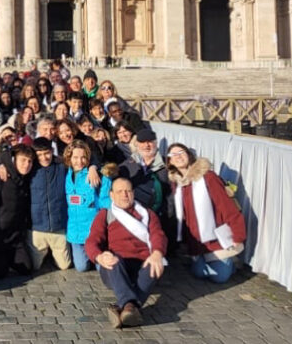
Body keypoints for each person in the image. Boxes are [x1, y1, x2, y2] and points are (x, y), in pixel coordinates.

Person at [85, 178, 167, 329]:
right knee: (113, 260)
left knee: (155, 263)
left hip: (142, 266)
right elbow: (91, 241)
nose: (124, 195)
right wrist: (99, 256)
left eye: (128, 191)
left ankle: (124, 306)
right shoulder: (105, 215)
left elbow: (158, 235)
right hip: (116, 268)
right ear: (112, 195)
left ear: (133, 193)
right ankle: (130, 306)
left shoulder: (147, 215)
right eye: (120, 191)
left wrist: (157, 253)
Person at [167, 143, 246, 283]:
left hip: (215, 238)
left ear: (189, 155)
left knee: (219, 278)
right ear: (170, 162)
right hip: (196, 243)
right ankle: (208, 261)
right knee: (198, 273)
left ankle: (232, 262)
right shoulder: (177, 185)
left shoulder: (208, 177)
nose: (178, 156)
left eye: (181, 152)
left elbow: (227, 206)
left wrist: (238, 235)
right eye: (173, 154)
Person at [0, 145, 35, 278]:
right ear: (14, 160)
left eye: (30, 161)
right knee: (0, 273)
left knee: (26, 268)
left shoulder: (26, 178)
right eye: (23, 160)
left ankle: (6, 258)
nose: (26, 165)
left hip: (15, 238)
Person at [28, 139, 71, 271]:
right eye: (39, 155)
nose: (44, 158)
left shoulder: (62, 166)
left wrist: (92, 168)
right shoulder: (30, 169)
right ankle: (44, 254)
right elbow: (7, 156)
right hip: (37, 226)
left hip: (58, 225)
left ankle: (52, 256)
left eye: (46, 153)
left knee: (65, 265)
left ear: (52, 151)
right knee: (34, 266)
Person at [118, 129, 171, 221]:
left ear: (156, 143)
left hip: (160, 217)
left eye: (150, 142)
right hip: (133, 216)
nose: (146, 145)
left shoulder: (168, 165)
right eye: (142, 142)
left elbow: (171, 195)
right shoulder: (126, 166)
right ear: (137, 145)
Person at [65, 142, 100, 272]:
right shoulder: (66, 175)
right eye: (75, 157)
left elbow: (104, 201)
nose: (79, 161)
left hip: (93, 229)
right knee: (81, 267)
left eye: (83, 157)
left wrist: (93, 167)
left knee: (101, 267)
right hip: (75, 231)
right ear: (69, 158)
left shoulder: (93, 174)